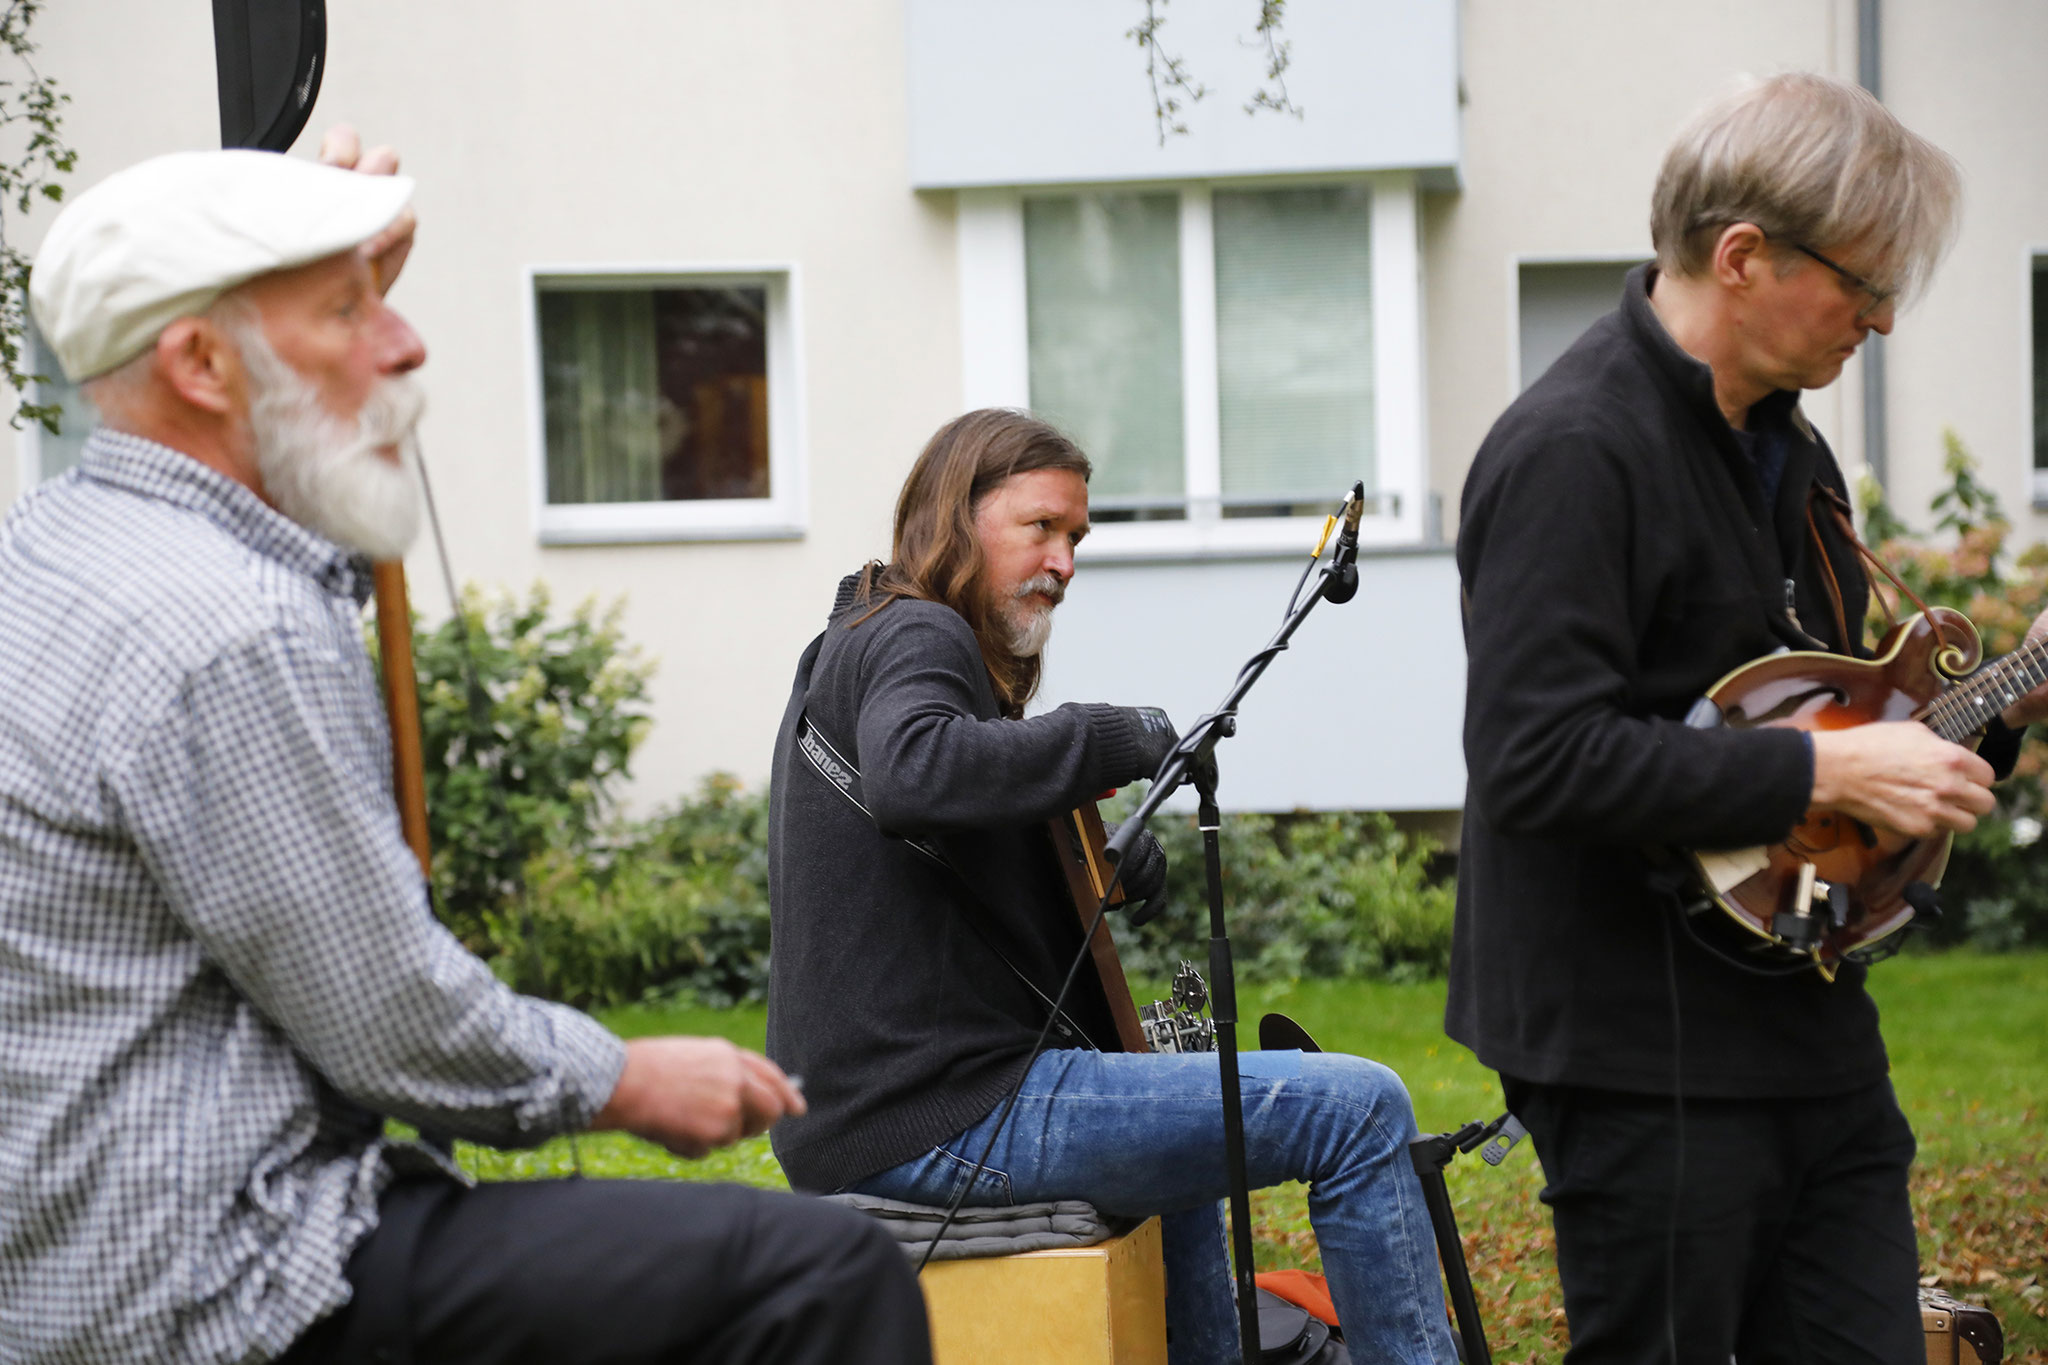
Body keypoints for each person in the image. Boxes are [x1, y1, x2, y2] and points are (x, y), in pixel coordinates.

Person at [0, 133, 929, 1365]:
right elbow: (389, 1022)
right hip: (217, 1279)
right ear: (202, 364)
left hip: (73, 1257)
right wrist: (621, 1079)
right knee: (817, 1276)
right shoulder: (230, 627)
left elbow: (291, 546)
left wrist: (335, 287)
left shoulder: (56, 546)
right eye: (345, 314)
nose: (405, 344)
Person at [1452, 73, 2048, 1363]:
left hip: (1801, 997)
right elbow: (1529, 758)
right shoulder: (1569, 449)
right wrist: (1811, 769)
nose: (1881, 322)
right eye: (1862, 286)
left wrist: (1997, 711)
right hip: (1629, 1032)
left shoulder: (1792, 450)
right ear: (1740, 257)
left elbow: (1851, 718)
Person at [764, 407, 1457, 1365]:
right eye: (1039, 527)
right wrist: (1104, 734)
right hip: (936, 1111)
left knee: (1188, 1154)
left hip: (891, 1104)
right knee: (1361, 1106)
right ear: (955, 516)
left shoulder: (874, 637)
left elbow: (944, 850)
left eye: (1077, 537)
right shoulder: (917, 633)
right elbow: (913, 774)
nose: (1064, 560)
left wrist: (1107, 867)